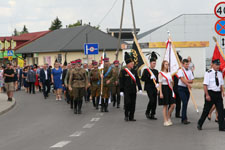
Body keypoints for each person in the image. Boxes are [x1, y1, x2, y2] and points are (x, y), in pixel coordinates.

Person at [197, 59, 225, 131]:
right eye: (216, 65)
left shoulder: (219, 73)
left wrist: (223, 91)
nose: (217, 66)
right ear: (212, 64)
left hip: (218, 94)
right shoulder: (208, 73)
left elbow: (221, 84)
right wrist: (207, 95)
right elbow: (205, 85)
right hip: (210, 93)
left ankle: (222, 126)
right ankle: (200, 123)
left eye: (218, 65)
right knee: (206, 110)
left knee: (221, 110)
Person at [119, 52, 142, 121]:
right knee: (127, 103)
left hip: (133, 90)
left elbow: (137, 80)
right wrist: (121, 90)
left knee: (133, 104)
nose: (133, 64)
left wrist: (140, 88)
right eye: (131, 63)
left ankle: (131, 117)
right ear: (128, 64)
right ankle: (126, 115)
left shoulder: (134, 71)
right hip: (126, 90)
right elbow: (121, 81)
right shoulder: (123, 71)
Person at [141, 53, 159, 120]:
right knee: (151, 100)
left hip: (155, 87)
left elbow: (158, 79)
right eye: (153, 63)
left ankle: (153, 114)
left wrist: (158, 86)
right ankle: (147, 111)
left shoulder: (156, 71)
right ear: (150, 63)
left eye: (155, 63)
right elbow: (142, 79)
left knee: (155, 101)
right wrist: (149, 77)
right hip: (149, 87)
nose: (154, 64)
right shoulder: (146, 70)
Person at [158, 60, 176, 126]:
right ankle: (165, 120)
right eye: (166, 64)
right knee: (165, 105)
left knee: (173, 104)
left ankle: (168, 116)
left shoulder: (169, 73)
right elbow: (160, 83)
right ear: (163, 65)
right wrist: (160, 93)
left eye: (168, 64)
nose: (167, 65)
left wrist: (172, 88)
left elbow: (171, 82)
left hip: (169, 89)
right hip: (163, 88)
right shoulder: (160, 73)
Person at [178, 59, 194, 124]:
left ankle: (184, 117)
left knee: (186, 103)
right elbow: (182, 79)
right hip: (181, 88)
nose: (187, 65)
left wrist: (186, 81)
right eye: (186, 64)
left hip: (187, 89)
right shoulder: (180, 71)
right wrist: (187, 83)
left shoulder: (190, 71)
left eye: (188, 64)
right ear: (183, 64)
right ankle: (184, 118)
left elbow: (192, 80)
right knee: (184, 102)